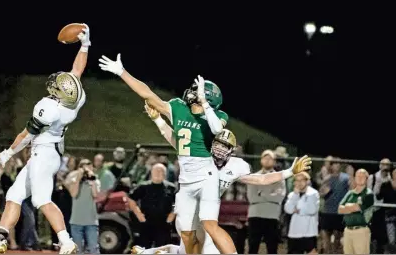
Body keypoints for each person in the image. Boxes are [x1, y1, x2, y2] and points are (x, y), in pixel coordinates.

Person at [99, 53, 235, 254]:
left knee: (208, 228)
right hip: (186, 180)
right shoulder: (179, 108)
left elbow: (216, 129)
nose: (191, 93)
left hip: (206, 178)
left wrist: (205, 104)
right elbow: (149, 95)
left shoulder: (218, 116)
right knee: (186, 234)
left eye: (198, 92)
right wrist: (122, 72)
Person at [131, 104, 311, 254]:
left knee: (185, 252)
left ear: (232, 151)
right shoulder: (200, 155)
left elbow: (261, 180)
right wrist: (158, 120)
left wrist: (290, 172)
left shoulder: (235, 166)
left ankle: (146, 252)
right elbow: (176, 140)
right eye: (218, 144)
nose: (220, 150)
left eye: (225, 147)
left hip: (206, 216)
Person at [0, 24, 91, 254]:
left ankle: (65, 240)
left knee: (41, 200)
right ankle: (0, 238)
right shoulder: (75, 100)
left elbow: (26, 135)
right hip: (51, 152)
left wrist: (8, 153)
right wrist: (85, 45)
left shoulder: (47, 108)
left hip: (43, 153)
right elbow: (76, 72)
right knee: (15, 194)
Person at [247, 150, 286, 254]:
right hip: (255, 215)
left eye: (270, 158)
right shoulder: (253, 177)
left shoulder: (279, 178)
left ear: (274, 161)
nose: (267, 160)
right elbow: (252, 198)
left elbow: (279, 197)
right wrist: (270, 193)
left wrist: (262, 193)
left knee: (272, 248)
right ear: (261, 160)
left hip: (272, 216)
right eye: (265, 158)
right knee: (253, 248)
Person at [128, 163, 177, 248]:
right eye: (156, 171)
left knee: (163, 250)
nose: (158, 173)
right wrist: (139, 214)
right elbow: (131, 199)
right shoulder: (143, 186)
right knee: (144, 249)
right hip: (146, 223)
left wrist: (172, 215)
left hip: (164, 225)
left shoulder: (171, 188)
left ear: (165, 174)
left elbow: (178, 202)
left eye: (161, 171)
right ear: (151, 173)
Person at [64, 158, 101, 254]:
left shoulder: (95, 180)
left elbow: (95, 195)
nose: (86, 167)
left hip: (91, 221)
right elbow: (73, 194)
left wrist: (91, 178)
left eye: (89, 165)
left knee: (93, 249)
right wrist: (78, 178)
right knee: (78, 251)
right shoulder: (74, 179)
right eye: (83, 165)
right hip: (76, 221)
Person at [338, 169, 375, 254]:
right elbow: (340, 209)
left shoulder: (369, 194)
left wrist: (347, 207)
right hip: (348, 230)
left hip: (361, 231)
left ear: (366, 179)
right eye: (358, 176)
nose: (360, 178)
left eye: (362, 176)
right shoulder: (350, 193)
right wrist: (352, 207)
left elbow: (358, 208)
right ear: (354, 178)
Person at [284, 172, 320, 254]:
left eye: (302, 180)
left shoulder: (313, 193)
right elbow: (288, 209)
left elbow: (312, 210)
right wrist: (296, 195)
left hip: (309, 233)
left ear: (307, 181)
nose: (299, 183)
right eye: (296, 180)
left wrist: (297, 209)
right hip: (294, 233)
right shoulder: (292, 194)